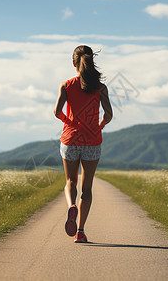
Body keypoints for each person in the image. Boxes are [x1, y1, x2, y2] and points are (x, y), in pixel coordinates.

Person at [54, 45, 113, 243]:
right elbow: (109, 115)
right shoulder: (101, 88)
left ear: (74, 63)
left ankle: (71, 205)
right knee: (86, 189)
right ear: (91, 63)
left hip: (70, 140)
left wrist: (68, 121)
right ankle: (80, 231)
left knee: (71, 182)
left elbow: (56, 111)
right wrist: (100, 126)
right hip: (92, 141)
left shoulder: (66, 85)